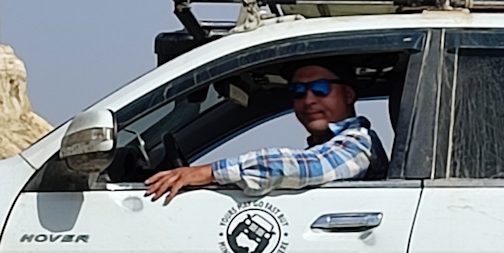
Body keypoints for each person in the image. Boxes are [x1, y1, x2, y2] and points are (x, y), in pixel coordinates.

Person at [144, 61, 388, 202]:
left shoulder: (359, 144)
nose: (308, 100)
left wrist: (208, 172)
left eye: (321, 89)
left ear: (348, 94)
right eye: (298, 92)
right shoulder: (327, 147)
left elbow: (308, 166)